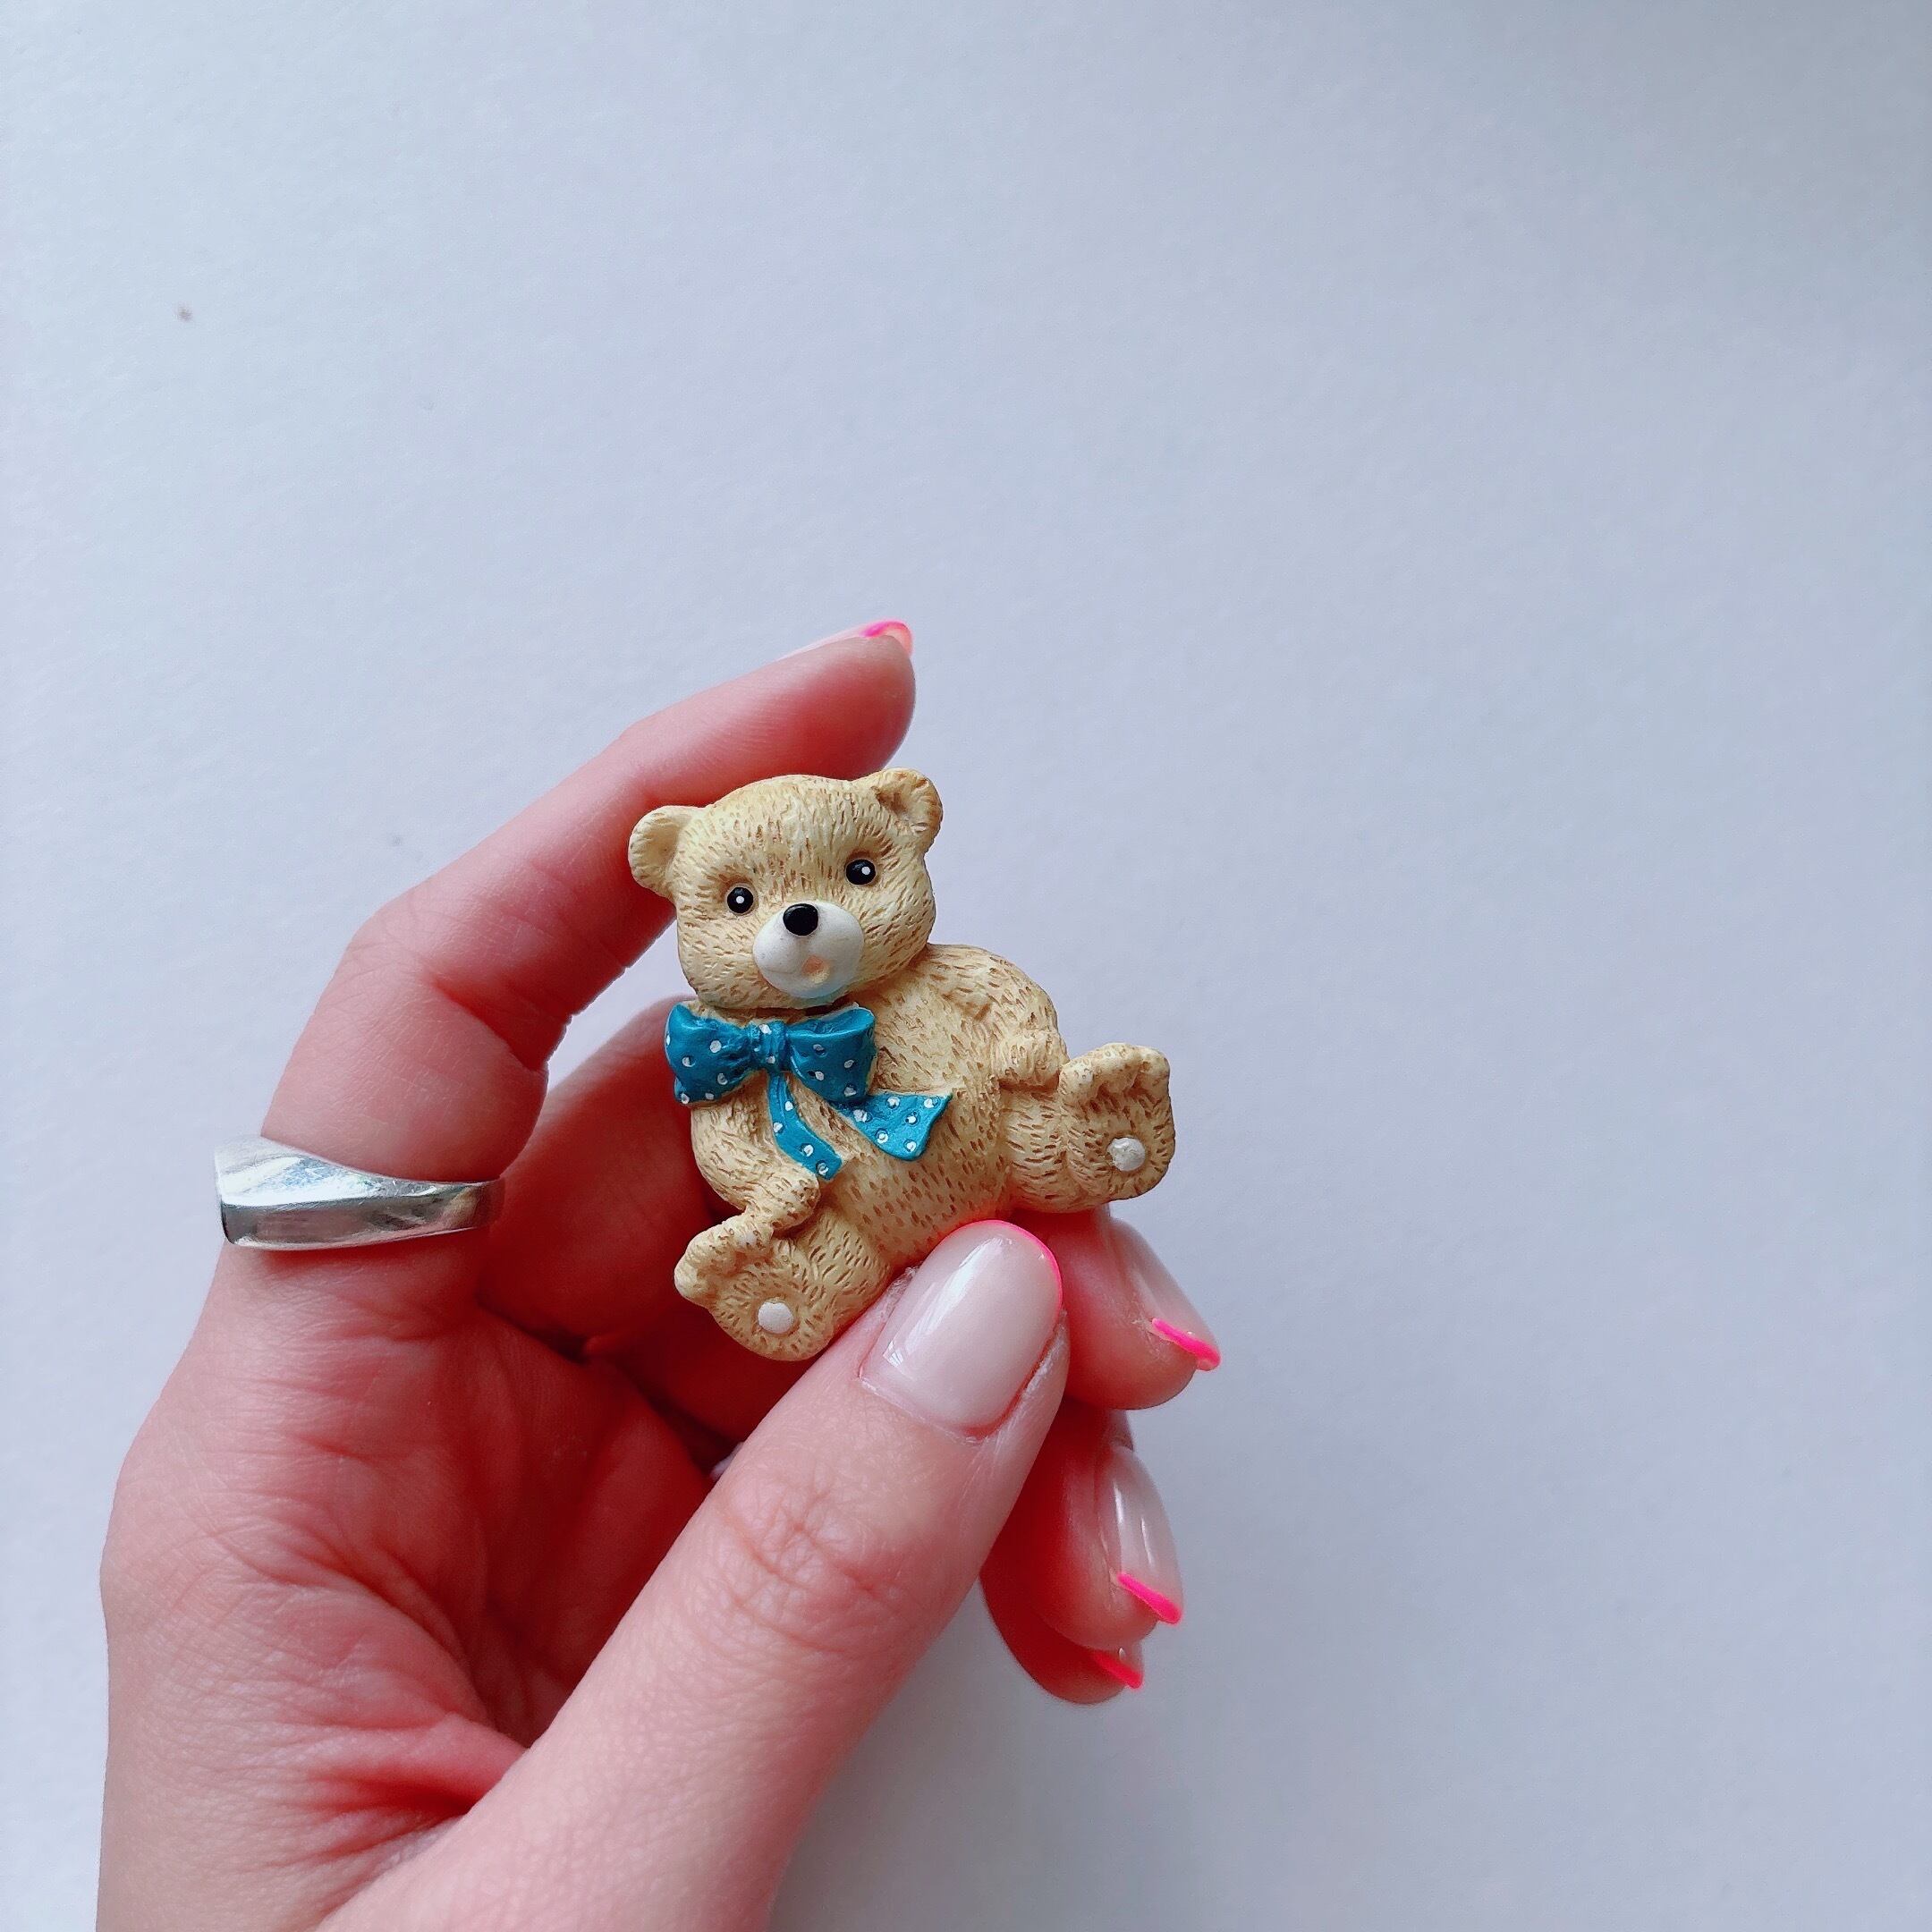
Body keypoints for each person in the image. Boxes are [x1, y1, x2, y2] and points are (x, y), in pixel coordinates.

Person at [97, 627, 1217, 1930]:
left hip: (985, 1130)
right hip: (843, 1217)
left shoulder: (939, 985)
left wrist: (1026, 1046)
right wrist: (777, 1195)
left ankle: (1083, 1128)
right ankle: (793, 1275)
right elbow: (733, 1149)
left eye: (855, 873)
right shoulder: (734, 1069)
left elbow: (1002, 999)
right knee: (813, 1253)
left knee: (1039, 1127)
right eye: (742, 903)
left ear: (910, 836)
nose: (802, 920)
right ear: (676, 891)